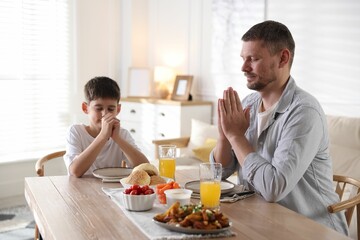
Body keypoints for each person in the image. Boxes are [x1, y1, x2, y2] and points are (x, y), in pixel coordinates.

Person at [211, 20, 348, 235]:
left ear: (283, 58)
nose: (243, 67)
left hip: (309, 229)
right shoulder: (247, 104)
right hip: (261, 220)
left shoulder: (304, 112)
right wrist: (223, 137)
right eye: (243, 58)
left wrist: (236, 136)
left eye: (253, 59)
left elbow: (274, 188)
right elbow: (217, 175)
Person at [64, 76, 149, 177]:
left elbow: (146, 169)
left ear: (118, 109)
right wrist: (103, 136)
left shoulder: (122, 134)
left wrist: (117, 139)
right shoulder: (76, 131)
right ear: (85, 108)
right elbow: (75, 171)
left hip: (112, 190)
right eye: (99, 108)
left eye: (111, 109)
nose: (105, 114)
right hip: (79, 190)